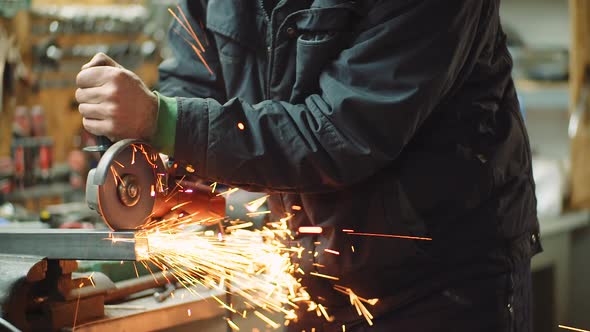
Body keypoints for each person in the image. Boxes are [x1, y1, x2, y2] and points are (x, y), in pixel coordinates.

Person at [75, 0, 541, 331]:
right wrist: (160, 160)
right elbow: (197, 77)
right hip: (316, 275)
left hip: (440, 285)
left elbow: (341, 133)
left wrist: (163, 119)